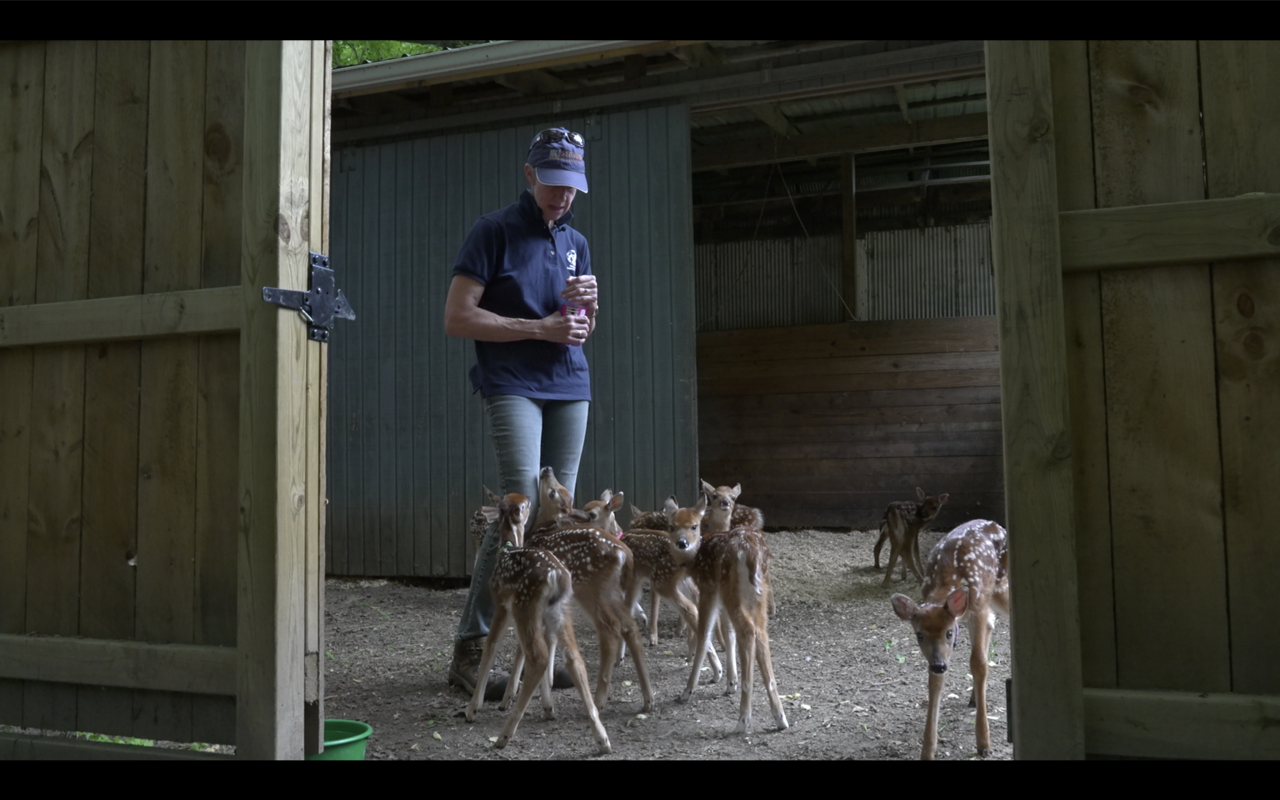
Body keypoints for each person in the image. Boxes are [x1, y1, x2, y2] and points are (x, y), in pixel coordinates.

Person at [443, 128, 599, 699]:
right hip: (511, 380)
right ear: (530, 174)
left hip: (569, 381)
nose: (563, 195)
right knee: (520, 505)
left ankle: (542, 652)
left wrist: (585, 314)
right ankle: (470, 649)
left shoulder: (578, 241)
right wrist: (540, 327)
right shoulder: (493, 232)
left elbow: (575, 330)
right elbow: (457, 317)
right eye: (553, 182)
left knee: (555, 518)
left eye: (573, 186)